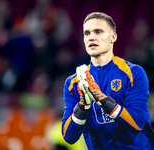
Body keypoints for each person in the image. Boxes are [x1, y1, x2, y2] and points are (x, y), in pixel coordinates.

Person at [62, 12, 154, 150]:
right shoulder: (74, 83)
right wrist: (82, 107)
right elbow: (69, 137)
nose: (91, 37)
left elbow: (137, 123)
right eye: (87, 33)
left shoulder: (133, 73)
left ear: (113, 37)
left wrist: (102, 98)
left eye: (98, 32)